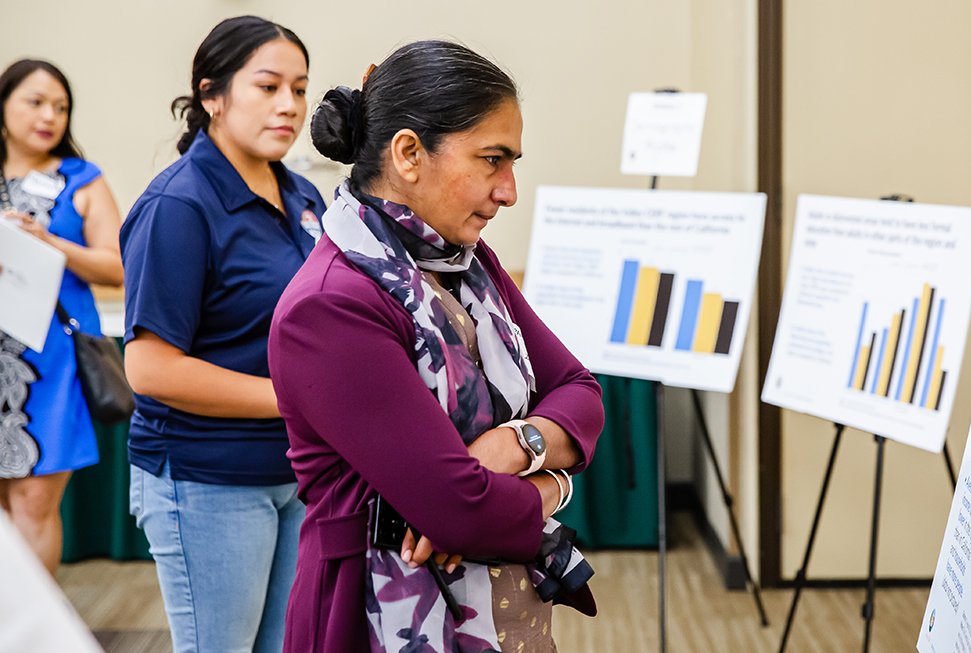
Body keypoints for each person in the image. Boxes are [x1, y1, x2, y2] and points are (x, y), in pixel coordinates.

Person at [267, 41, 605, 653]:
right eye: (491, 160)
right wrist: (554, 486)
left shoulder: (466, 266)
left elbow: (581, 394)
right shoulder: (331, 303)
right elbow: (456, 510)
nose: (510, 190)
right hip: (374, 615)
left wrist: (515, 444)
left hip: (501, 610)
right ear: (408, 154)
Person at [119, 16, 324, 653]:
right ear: (212, 95)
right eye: (267, 87)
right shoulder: (178, 206)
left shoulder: (303, 195)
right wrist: (294, 400)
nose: (289, 105)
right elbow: (150, 369)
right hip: (206, 478)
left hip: (293, 470)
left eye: (299, 88)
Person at [0, 59, 123, 575]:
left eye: (61, 106)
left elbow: (117, 267)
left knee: (32, 500)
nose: (50, 115)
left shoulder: (81, 178)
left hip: (49, 365)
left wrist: (47, 241)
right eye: (35, 101)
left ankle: (31, 634)